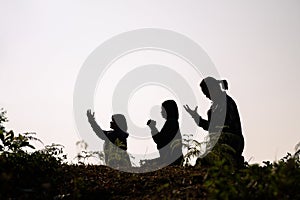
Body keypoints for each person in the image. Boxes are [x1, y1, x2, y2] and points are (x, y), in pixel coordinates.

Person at [184, 77, 244, 165]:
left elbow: (223, 125)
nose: (206, 96)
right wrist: (196, 117)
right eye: (205, 93)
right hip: (219, 140)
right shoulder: (215, 106)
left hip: (231, 139)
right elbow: (211, 126)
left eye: (206, 92)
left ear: (213, 89)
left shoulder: (226, 102)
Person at [147, 100, 184, 166]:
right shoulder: (172, 122)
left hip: (170, 160)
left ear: (168, 110)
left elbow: (160, 140)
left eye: (163, 109)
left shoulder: (171, 123)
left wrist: (152, 127)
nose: (161, 112)